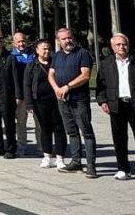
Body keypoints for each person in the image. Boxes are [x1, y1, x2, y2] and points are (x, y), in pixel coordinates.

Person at [96, 33, 135, 184]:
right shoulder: (106, 64)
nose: (121, 47)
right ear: (112, 47)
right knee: (119, 139)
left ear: (128, 45)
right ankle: (123, 169)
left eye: (124, 44)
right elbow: (101, 85)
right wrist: (103, 101)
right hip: (116, 105)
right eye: (118, 44)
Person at [49, 27, 97, 178]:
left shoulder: (82, 54)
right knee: (71, 132)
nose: (67, 41)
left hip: (79, 100)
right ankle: (76, 161)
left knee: (86, 132)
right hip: (62, 100)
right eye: (63, 39)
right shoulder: (57, 56)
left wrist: (67, 87)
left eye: (69, 37)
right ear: (58, 41)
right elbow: (51, 74)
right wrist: (57, 89)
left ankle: (91, 165)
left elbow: (85, 75)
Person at [24, 39, 67, 169]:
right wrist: (29, 104)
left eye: (48, 48)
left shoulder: (56, 63)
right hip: (40, 102)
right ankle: (47, 156)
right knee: (45, 129)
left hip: (57, 101)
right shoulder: (32, 66)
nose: (47, 51)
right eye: (44, 49)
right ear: (37, 50)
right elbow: (27, 85)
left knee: (59, 128)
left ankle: (60, 158)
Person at [11, 32, 40, 155]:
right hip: (21, 96)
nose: (21, 43)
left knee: (39, 122)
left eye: (23, 41)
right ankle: (22, 145)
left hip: (35, 94)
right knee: (21, 122)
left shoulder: (34, 54)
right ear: (14, 43)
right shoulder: (11, 56)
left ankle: (42, 147)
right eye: (18, 41)